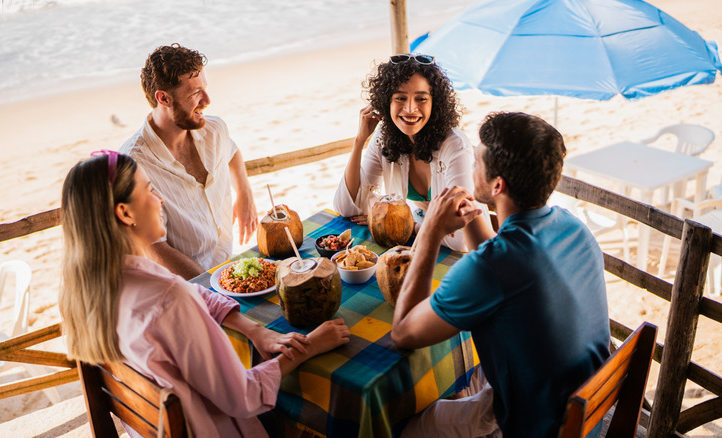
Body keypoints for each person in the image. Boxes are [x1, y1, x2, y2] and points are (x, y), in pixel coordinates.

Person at [58, 151, 350, 438]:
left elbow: (195, 292)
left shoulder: (92, 289)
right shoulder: (167, 298)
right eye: (149, 190)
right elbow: (243, 396)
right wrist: (309, 346)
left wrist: (253, 329)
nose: (160, 199)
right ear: (125, 212)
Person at [391, 112, 610, 437]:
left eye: (477, 160)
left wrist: (431, 233)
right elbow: (506, 265)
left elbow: (404, 332)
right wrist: (471, 220)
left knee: (401, 427)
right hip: (587, 405)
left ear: (497, 185)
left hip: (534, 424)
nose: (470, 168)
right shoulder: (572, 227)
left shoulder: (490, 269)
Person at [120, 43, 257, 279]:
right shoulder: (133, 164)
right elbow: (153, 247)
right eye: (195, 93)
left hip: (225, 269)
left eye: (205, 88)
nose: (207, 100)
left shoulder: (215, 129)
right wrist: (210, 290)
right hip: (183, 288)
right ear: (163, 98)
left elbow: (232, 152)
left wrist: (244, 193)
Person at [333, 54, 493, 252]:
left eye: (421, 99)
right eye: (400, 98)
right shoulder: (384, 137)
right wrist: (359, 141)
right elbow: (348, 208)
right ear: (386, 102)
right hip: (426, 231)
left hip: (470, 251)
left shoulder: (454, 146)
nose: (410, 109)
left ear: (435, 103)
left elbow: (461, 239)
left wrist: (406, 226)